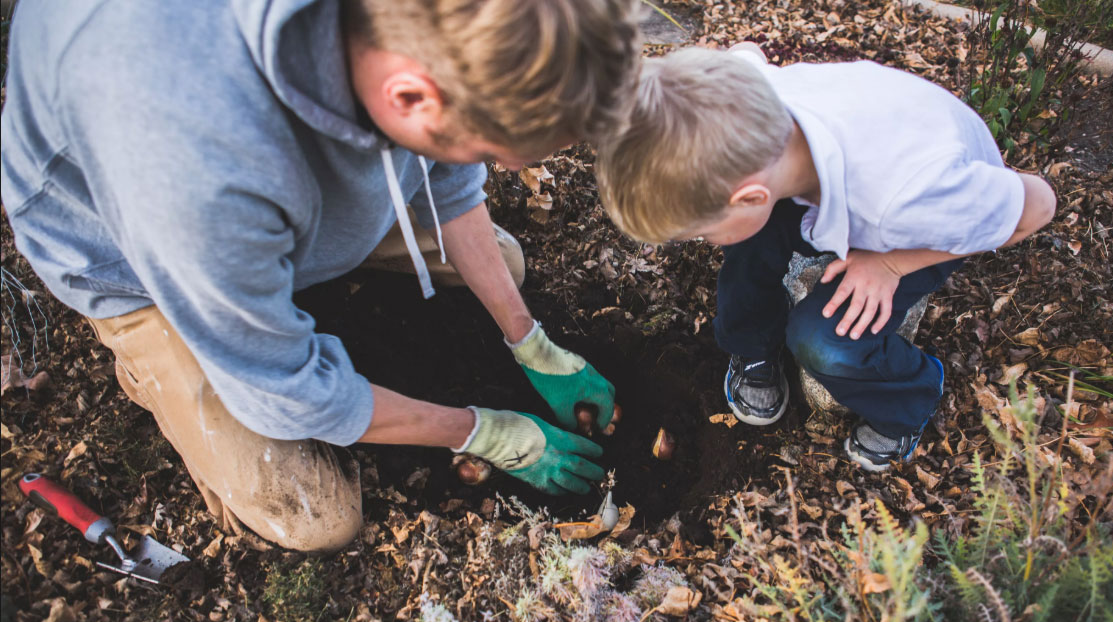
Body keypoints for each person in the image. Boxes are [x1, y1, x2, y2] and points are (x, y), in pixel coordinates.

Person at [1, 0, 641, 550]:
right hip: (137, 262)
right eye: (488, 151)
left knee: (503, 267)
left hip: (288, 193)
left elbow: (445, 171)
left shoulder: (432, 29)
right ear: (410, 97)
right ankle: (160, 351)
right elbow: (291, 392)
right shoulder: (200, 172)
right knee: (314, 515)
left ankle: (286, 275)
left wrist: (529, 340)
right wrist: (482, 432)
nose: (490, 165)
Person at [595, 45, 1057, 472]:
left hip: (922, 224)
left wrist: (890, 264)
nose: (704, 241)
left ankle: (909, 400)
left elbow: (1037, 206)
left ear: (753, 195)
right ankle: (753, 346)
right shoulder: (750, 99)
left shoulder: (907, 202)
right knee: (747, 241)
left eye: (700, 232)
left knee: (827, 343)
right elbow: (747, 55)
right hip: (841, 176)